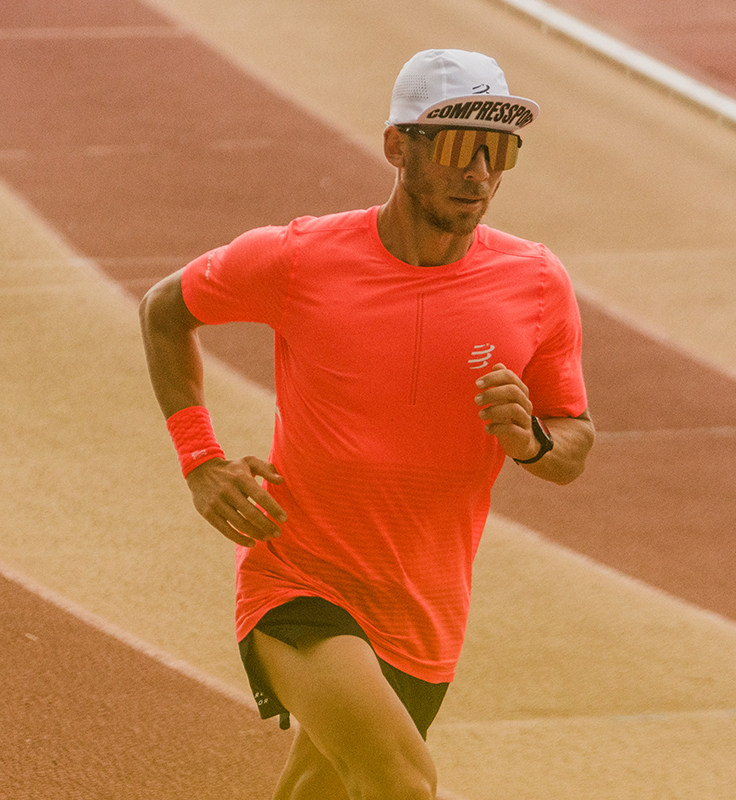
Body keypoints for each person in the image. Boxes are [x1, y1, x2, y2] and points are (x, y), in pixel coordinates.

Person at [140, 48, 594, 800]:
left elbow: (573, 444)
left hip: (425, 611)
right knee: (400, 781)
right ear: (397, 146)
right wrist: (201, 460)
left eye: (499, 149)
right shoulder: (298, 258)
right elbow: (165, 311)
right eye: (457, 145)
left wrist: (533, 442)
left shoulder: (537, 282)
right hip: (299, 579)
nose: (480, 172)